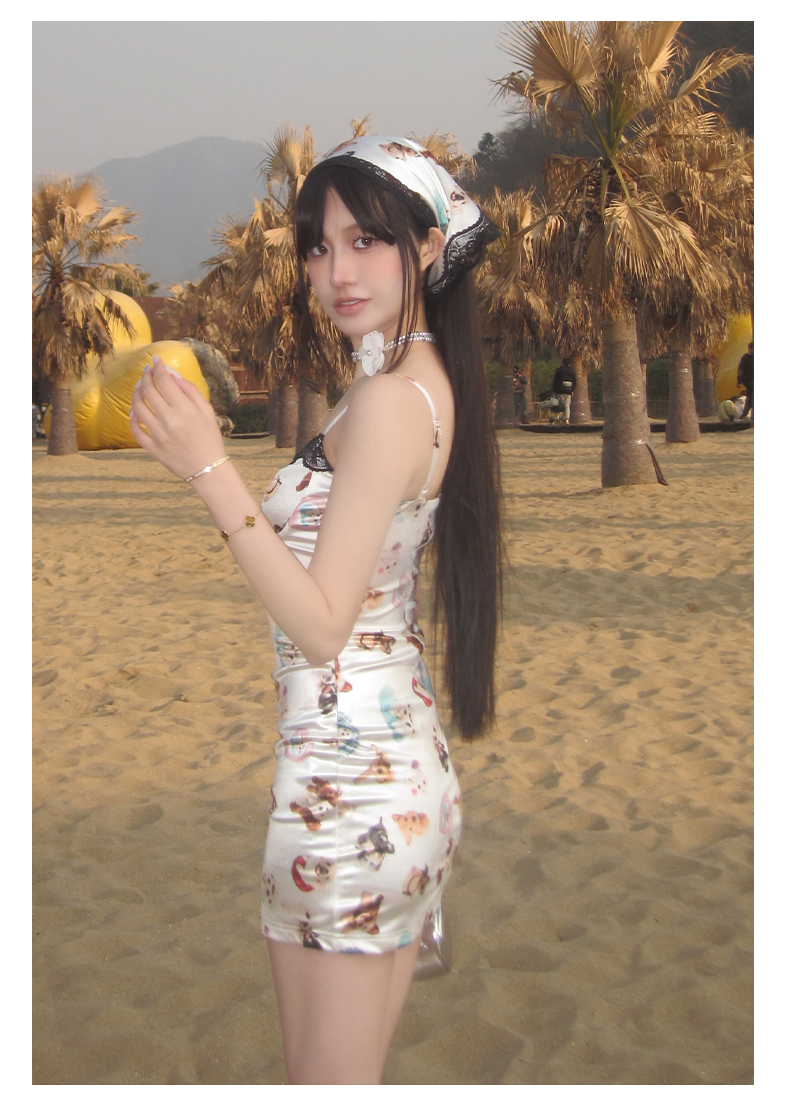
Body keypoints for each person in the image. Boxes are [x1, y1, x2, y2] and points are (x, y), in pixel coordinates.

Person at [129, 134, 502, 1085]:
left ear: (428, 246)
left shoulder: (390, 401)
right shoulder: (399, 383)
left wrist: (209, 469)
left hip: (353, 786)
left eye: (365, 240)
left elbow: (326, 622)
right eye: (318, 245)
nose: (336, 271)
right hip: (363, 767)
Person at [551, 356, 576, 424]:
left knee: (560, 404)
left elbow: (555, 381)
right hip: (568, 390)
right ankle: (566, 419)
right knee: (567, 405)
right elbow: (574, 381)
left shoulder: (559, 370)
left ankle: (559, 418)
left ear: (563, 363)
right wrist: (572, 390)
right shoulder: (571, 371)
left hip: (560, 390)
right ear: (569, 364)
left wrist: (554, 390)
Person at [737, 341, 754, 421]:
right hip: (747, 380)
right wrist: (739, 381)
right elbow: (740, 369)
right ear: (750, 349)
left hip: (753, 380)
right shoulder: (745, 358)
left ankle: (744, 414)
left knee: (750, 396)